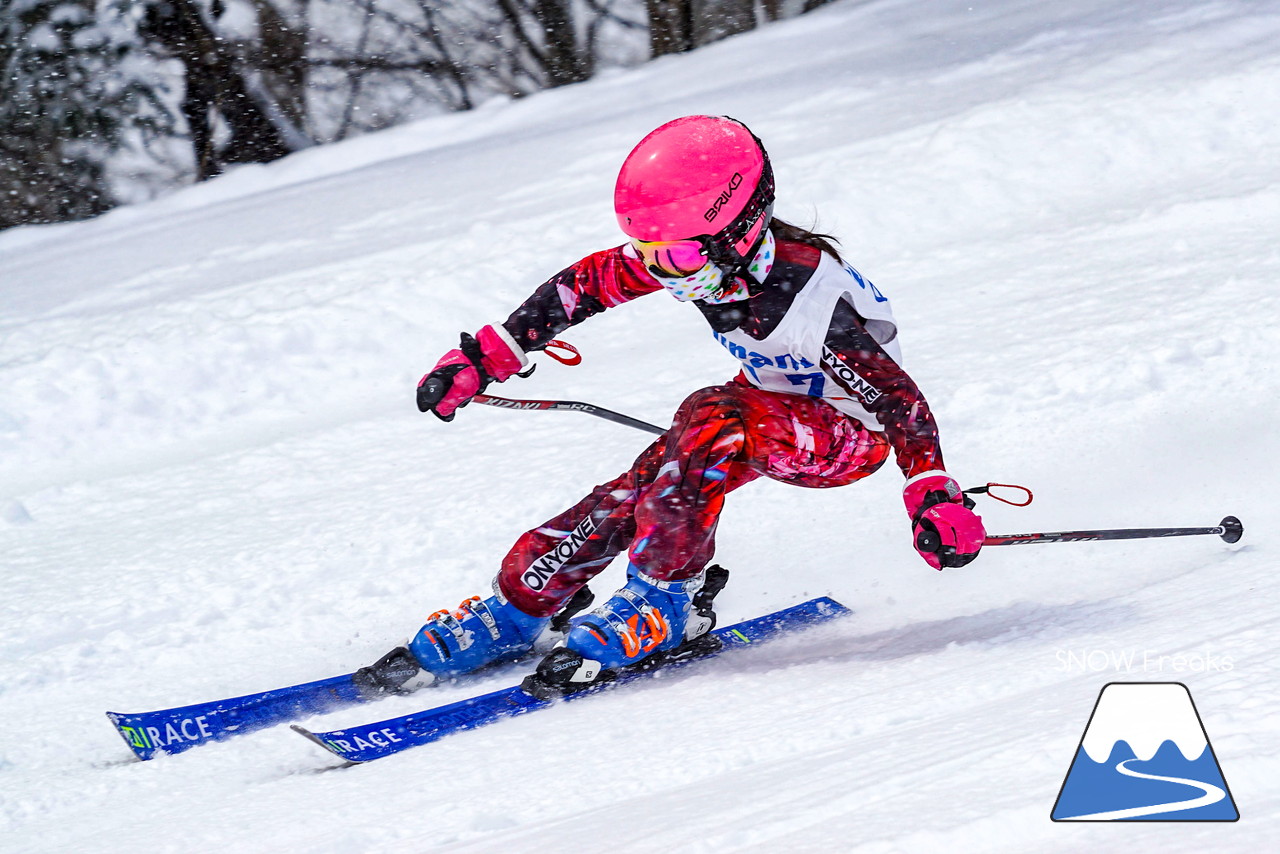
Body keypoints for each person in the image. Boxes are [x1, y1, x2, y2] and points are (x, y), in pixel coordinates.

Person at [353, 115, 985, 698]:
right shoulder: (705, 259)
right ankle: (524, 601)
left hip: (850, 437)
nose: (664, 273)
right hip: (765, 412)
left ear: (740, 230)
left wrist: (932, 491)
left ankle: (662, 599)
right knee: (650, 483)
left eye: (676, 255)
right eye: (651, 255)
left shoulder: (808, 298)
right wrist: (487, 356)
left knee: (710, 415)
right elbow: (584, 286)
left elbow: (899, 404)